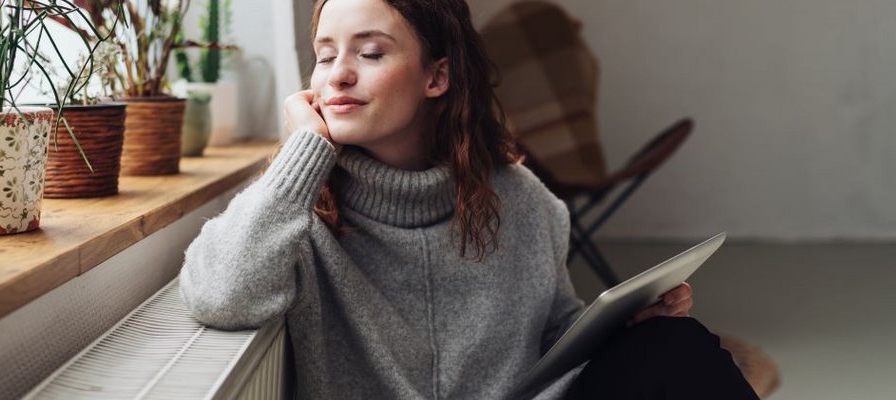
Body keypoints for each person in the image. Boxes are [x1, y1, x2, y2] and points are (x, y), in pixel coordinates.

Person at [178, 0, 760, 399]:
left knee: (674, 344)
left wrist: (622, 326)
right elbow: (219, 297)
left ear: (437, 76)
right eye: (326, 55)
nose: (337, 76)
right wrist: (303, 152)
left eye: (370, 53)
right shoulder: (294, 206)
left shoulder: (522, 200)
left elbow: (551, 332)